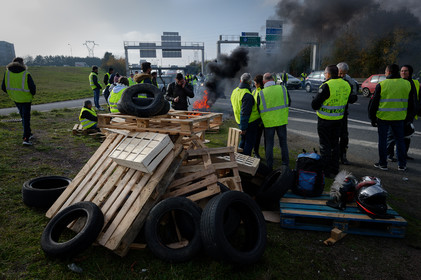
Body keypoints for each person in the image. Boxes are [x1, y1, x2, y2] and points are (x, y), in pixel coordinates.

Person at [369, 64, 416, 171]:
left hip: (383, 118)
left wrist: (372, 118)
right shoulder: (407, 84)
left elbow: (374, 104)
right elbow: (411, 104)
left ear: (388, 72)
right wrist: (409, 118)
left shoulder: (382, 84)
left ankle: (383, 164)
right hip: (400, 118)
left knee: (383, 141)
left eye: (385, 72)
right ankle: (402, 165)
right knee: (400, 141)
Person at [311, 65, 351, 177]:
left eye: (325, 73)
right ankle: (335, 168)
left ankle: (326, 171)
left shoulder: (326, 85)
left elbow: (315, 105)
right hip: (339, 120)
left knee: (325, 146)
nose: (324, 75)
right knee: (335, 145)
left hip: (325, 120)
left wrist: (315, 99)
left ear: (328, 74)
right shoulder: (346, 84)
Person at [257, 73, 290, 169]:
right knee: (283, 143)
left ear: (264, 82)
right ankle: (285, 164)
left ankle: (269, 165)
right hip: (281, 120)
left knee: (269, 144)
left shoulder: (261, 93)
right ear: (273, 79)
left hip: (268, 122)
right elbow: (289, 102)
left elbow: (259, 109)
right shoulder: (283, 88)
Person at [386, 65, 419, 162]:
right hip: (396, 115)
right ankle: (389, 155)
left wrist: (414, 112)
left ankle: (404, 154)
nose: (403, 73)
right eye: (402, 71)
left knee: (407, 137)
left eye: (406, 71)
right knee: (391, 136)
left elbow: (415, 99)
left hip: (408, 115)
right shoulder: (398, 83)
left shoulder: (413, 83)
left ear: (410, 72)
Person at [1, 57, 36, 145]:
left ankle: (29, 133)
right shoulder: (26, 74)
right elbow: (33, 88)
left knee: (23, 116)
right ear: (22, 63)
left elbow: (3, 87)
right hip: (26, 99)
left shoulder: (7, 73)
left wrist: (12, 93)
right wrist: (31, 94)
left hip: (15, 98)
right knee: (26, 118)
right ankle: (26, 138)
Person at [231, 73, 261, 156]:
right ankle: (245, 161)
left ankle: (239, 158)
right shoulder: (247, 94)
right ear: (249, 82)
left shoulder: (235, 91)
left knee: (243, 141)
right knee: (249, 143)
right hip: (249, 123)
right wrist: (243, 128)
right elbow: (245, 113)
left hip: (240, 121)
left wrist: (242, 126)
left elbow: (235, 107)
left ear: (240, 80)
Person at [337, 62, 358, 165]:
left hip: (343, 113)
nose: (341, 76)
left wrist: (349, 97)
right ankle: (333, 156)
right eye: (340, 73)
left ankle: (343, 156)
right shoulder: (330, 78)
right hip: (330, 114)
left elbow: (354, 96)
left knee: (344, 136)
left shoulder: (349, 81)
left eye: (343, 74)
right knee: (333, 136)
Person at [252, 74, 264, 158]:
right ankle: (255, 152)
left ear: (259, 83)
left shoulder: (262, 92)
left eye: (255, 82)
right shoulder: (254, 91)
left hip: (262, 118)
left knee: (260, 136)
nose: (254, 84)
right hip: (256, 118)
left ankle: (257, 152)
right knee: (257, 137)